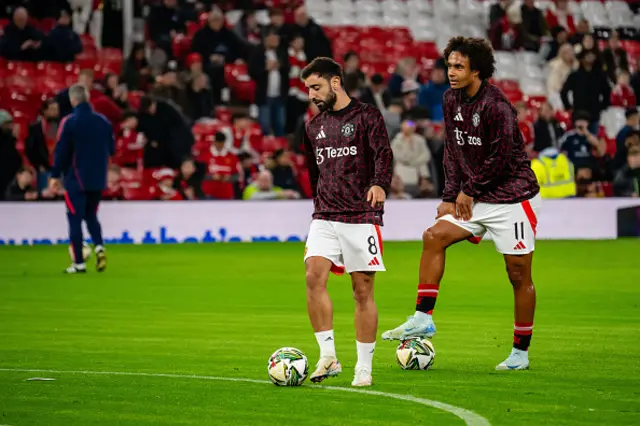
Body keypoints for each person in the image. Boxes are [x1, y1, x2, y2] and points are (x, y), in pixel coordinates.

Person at [381, 37, 541, 371]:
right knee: (433, 236)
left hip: (512, 198)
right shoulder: (450, 98)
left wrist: (468, 190)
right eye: (449, 65)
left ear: (477, 70)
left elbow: (502, 158)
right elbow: (453, 152)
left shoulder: (497, 105)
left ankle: (520, 353)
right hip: (474, 196)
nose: (451, 72)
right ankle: (423, 318)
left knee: (517, 274)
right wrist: (448, 197)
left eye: (459, 67)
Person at [300, 57, 393, 387]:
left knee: (362, 290)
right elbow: (314, 172)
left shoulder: (367, 115)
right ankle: (328, 356)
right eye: (308, 88)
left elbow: (383, 153)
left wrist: (380, 182)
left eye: (316, 87)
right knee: (313, 275)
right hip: (325, 214)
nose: (311, 94)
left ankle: (364, 367)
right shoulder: (312, 127)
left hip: (361, 214)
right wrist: (318, 202)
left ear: (335, 82)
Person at [49, 84, 115, 274]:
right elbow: (111, 149)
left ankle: (78, 263)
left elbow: (61, 151)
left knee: (74, 219)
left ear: (73, 100)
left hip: (77, 178)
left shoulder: (70, 122)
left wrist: (55, 175)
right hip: (97, 178)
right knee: (92, 216)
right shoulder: (104, 122)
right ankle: (100, 246)